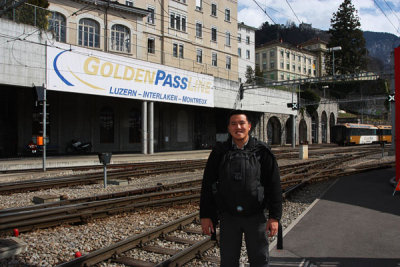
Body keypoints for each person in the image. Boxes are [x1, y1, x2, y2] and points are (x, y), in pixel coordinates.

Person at [200, 110, 282, 267]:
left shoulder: (262, 152)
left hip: (256, 216)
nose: (238, 127)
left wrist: (274, 217)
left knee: (259, 260)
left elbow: (274, 185)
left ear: (249, 126)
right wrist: (206, 215)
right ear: (229, 128)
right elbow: (208, 184)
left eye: (242, 123)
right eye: (233, 124)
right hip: (228, 216)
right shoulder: (219, 152)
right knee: (229, 261)